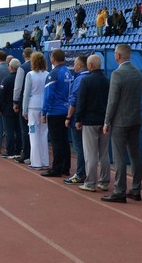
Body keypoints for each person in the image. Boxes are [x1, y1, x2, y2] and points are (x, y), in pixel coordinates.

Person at [102, 44, 142, 203]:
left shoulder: (117, 74)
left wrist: (107, 121)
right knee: (135, 155)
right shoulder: (137, 72)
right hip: (136, 119)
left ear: (118, 56)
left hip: (120, 121)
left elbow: (112, 100)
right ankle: (136, 189)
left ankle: (119, 190)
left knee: (119, 156)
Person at [76, 54, 110, 192]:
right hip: (104, 120)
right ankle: (104, 181)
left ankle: (90, 182)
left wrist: (78, 119)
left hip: (90, 121)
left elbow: (81, 101)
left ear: (90, 65)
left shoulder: (86, 80)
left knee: (90, 153)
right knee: (104, 153)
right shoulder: (107, 80)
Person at [41, 49, 72, 177]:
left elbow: (48, 94)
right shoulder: (68, 72)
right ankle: (65, 167)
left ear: (53, 58)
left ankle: (57, 168)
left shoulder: (53, 73)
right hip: (66, 110)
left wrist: (44, 111)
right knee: (64, 140)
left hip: (55, 111)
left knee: (56, 141)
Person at [22, 51, 49, 170]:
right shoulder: (48, 74)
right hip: (44, 107)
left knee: (33, 134)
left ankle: (36, 162)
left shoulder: (30, 75)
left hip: (33, 107)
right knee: (43, 134)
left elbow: (26, 93)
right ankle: (44, 161)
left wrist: (24, 110)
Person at [63, 55, 88, 185]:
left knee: (79, 147)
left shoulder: (80, 79)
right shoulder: (91, 77)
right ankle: (87, 173)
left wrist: (68, 117)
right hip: (90, 119)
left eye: (75, 64)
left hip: (78, 119)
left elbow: (74, 100)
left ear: (78, 65)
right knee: (88, 148)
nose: (74, 66)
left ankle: (80, 174)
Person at [13, 48, 32, 164]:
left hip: (25, 101)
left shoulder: (22, 68)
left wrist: (15, 101)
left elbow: (18, 86)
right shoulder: (41, 68)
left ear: (24, 55)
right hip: (38, 103)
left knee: (25, 129)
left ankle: (26, 153)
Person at [0, 58, 20, 159]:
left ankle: (10, 150)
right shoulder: (21, 78)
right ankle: (18, 149)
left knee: (9, 130)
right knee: (18, 129)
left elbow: (1, 95)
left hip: (7, 108)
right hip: (18, 107)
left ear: (10, 67)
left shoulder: (7, 79)